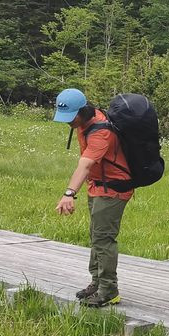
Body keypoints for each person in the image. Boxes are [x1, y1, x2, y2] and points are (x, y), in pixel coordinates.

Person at [54, 88, 132, 308]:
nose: (68, 122)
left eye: (71, 117)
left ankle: (109, 290)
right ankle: (97, 282)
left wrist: (69, 193)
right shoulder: (83, 123)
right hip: (98, 186)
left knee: (103, 238)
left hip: (113, 189)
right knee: (95, 235)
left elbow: (86, 164)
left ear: (83, 111)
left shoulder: (101, 132)